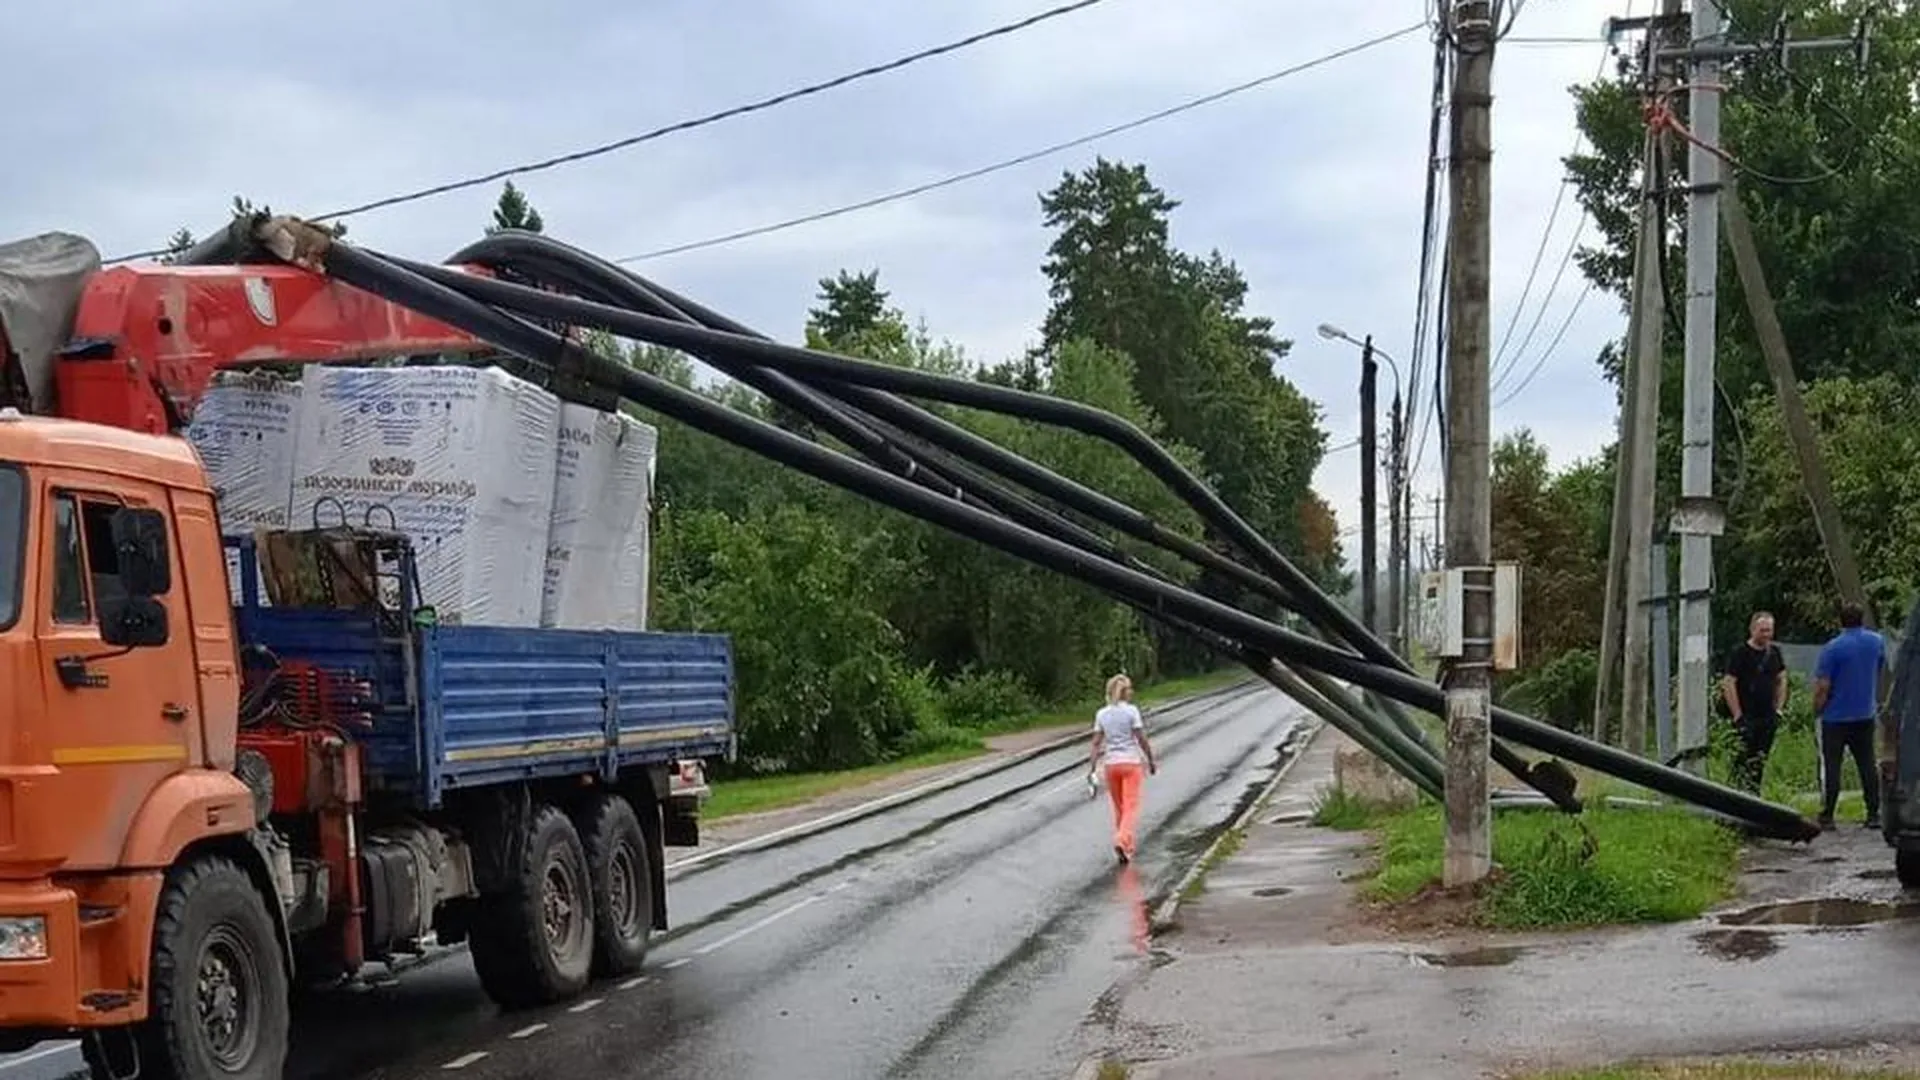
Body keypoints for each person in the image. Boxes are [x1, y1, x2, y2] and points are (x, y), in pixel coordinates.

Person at [1812, 601, 1889, 830]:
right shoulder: (1876, 642)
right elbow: (1879, 667)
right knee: (1867, 764)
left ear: (1840, 620)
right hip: (1864, 713)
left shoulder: (1833, 648)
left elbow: (1823, 686)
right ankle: (1873, 813)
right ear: (1862, 618)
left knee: (1833, 765)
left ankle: (1828, 815)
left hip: (1835, 717)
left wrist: (1817, 708)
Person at [1089, 673, 1157, 863]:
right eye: (1130, 689)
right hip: (1130, 764)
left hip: (1111, 765)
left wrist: (1092, 768)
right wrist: (1150, 759)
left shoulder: (1102, 714)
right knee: (1131, 807)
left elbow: (1096, 743)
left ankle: (1127, 848)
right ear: (1125, 692)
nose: (1132, 691)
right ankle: (1121, 840)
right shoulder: (1131, 711)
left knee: (1119, 808)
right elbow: (1141, 738)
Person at [1720, 611, 1787, 793]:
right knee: (1741, 760)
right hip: (1746, 716)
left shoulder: (1774, 653)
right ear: (1752, 630)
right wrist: (1737, 715)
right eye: (1762, 630)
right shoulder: (1740, 653)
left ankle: (1754, 795)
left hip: (1767, 716)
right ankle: (1736, 796)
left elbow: (1781, 679)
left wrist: (1779, 709)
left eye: (1769, 630)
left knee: (1760, 759)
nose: (1766, 635)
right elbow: (1729, 683)